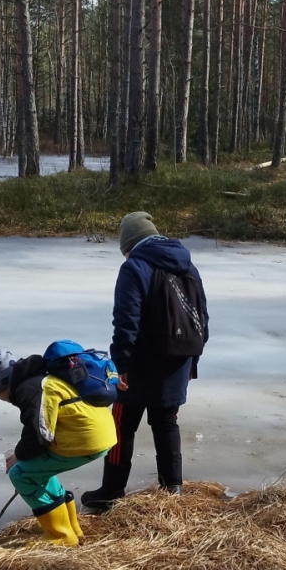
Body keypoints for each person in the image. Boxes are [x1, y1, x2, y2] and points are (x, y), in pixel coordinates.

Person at [81, 212, 209, 513]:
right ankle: (172, 490)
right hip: (179, 358)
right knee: (166, 422)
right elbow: (201, 316)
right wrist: (193, 360)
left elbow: (126, 320)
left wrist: (120, 365)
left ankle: (111, 491)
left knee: (121, 424)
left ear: (129, 243)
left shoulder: (134, 267)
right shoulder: (187, 265)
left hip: (139, 363)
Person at [0, 348, 116, 545]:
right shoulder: (41, 379)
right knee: (37, 469)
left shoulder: (30, 389)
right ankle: (70, 527)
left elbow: (39, 435)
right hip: (101, 433)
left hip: (86, 440)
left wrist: (19, 455)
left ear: (1, 386)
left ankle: (61, 536)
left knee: (20, 475)